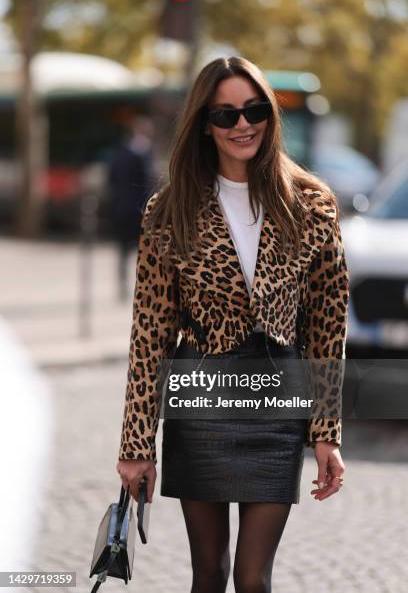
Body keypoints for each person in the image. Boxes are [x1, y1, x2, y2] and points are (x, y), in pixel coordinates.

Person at [116, 56, 348, 593]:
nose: (243, 124)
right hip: (200, 403)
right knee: (208, 574)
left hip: (276, 402)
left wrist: (326, 433)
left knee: (252, 579)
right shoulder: (169, 211)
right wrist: (135, 445)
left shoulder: (311, 206)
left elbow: (328, 328)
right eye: (225, 115)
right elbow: (149, 335)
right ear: (203, 124)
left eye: (254, 110)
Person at [108, 115, 154, 300]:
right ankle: (142, 287)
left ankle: (123, 285)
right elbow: (147, 184)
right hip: (139, 210)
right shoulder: (144, 153)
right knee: (144, 251)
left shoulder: (119, 152)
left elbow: (111, 179)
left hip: (120, 207)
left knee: (123, 250)